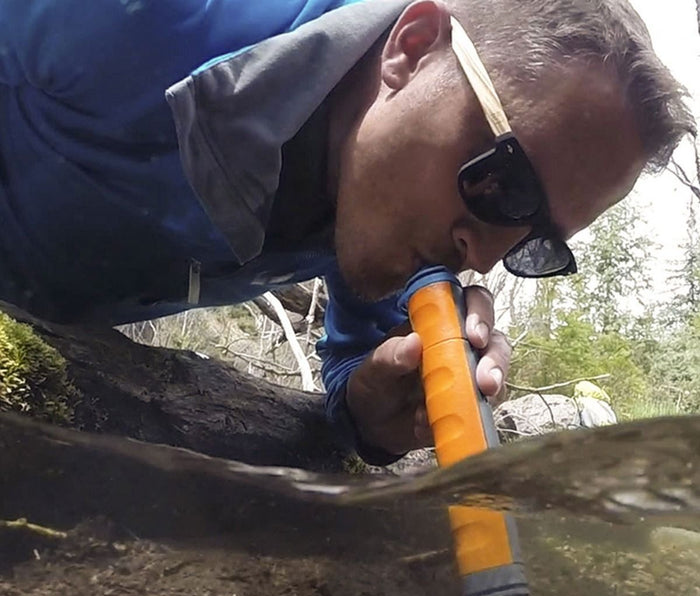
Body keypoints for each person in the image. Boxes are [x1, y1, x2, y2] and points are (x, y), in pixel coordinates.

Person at [0, 0, 694, 465]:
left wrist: (371, 416)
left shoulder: (386, 208)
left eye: (536, 241)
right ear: (413, 50)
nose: (483, 253)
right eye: (504, 187)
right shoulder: (149, 17)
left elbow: (354, 377)